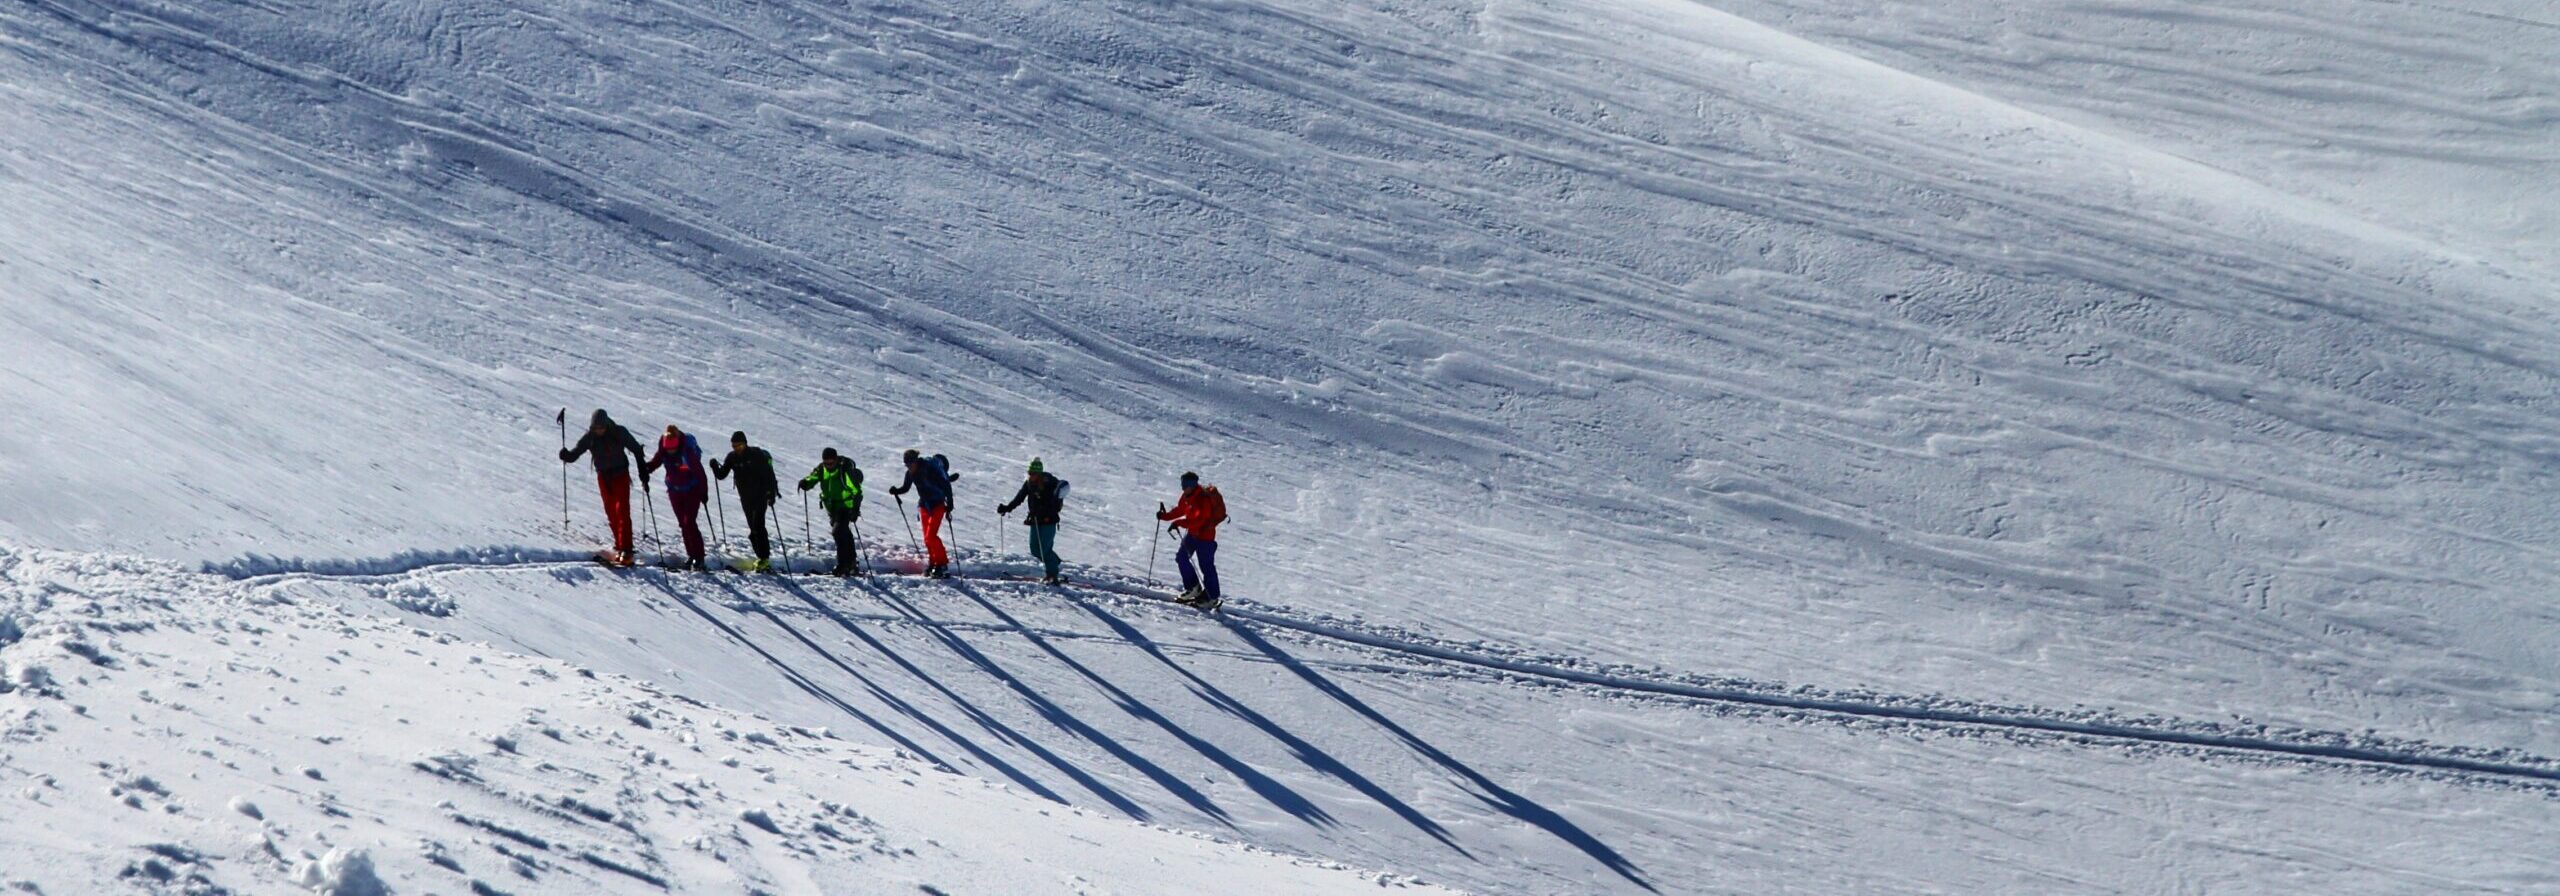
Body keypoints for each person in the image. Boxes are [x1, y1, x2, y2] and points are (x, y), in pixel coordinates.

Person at [559, 409, 648, 566]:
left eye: (601, 427)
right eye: (596, 428)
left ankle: (626, 549)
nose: (599, 430)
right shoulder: (590, 437)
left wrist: (643, 471)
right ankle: (619, 545)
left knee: (622, 510)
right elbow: (576, 453)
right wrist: (566, 455)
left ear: (606, 424)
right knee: (611, 512)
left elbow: (636, 449)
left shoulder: (619, 432)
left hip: (620, 475)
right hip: (604, 477)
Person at [641, 425, 711, 571]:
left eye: (673, 448)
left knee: (689, 522)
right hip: (674, 490)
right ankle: (691, 555)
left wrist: (703, 493)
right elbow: (657, 461)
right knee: (683, 524)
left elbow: (700, 473)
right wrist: (647, 468)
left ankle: (699, 558)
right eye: (668, 449)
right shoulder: (664, 447)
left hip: (692, 490)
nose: (670, 451)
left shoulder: (688, 452)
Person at [710, 431, 780, 572]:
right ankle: (761, 558)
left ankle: (764, 559)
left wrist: (771, 493)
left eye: (739, 445)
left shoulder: (756, 455)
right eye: (734, 446)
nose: (737, 448)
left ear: (745, 443)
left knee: (758, 525)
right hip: (745, 497)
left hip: (760, 495)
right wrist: (714, 467)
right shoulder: (732, 457)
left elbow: (768, 475)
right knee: (753, 529)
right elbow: (722, 475)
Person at [1157, 471, 1226, 605]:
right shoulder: (1186, 496)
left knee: (1206, 566)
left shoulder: (1203, 499)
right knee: (1181, 558)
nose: (1184, 487)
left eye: (1187, 484)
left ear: (1194, 484)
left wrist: (1179, 523)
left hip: (1205, 537)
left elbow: (1200, 520)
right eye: (1183, 484)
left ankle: (1212, 597)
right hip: (1192, 534)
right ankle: (1194, 588)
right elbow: (1180, 510)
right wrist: (1164, 516)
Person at [996, 458, 1068, 584]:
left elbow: (1053, 504)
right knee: (1035, 549)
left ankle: (1052, 575)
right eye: (1029, 473)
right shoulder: (1029, 484)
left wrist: (1044, 510)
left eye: (1033, 473)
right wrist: (1007, 508)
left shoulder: (1049, 484)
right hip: (1035, 521)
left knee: (1044, 550)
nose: (1030, 476)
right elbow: (1019, 498)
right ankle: (1054, 562)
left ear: (1039, 474)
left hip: (1048, 521)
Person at [888, 448, 958, 578]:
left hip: (938, 504)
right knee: (927, 538)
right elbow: (906, 488)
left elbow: (946, 485)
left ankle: (942, 564)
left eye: (910, 464)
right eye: (906, 464)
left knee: (931, 536)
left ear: (916, 461)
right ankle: (933, 563)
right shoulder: (910, 474)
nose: (909, 467)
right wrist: (896, 491)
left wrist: (950, 503)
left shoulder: (929, 470)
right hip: (924, 505)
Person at [798, 448, 864, 576]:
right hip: (832, 508)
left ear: (836, 460)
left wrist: (855, 509)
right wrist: (806, 483)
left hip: (846, 506)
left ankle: (842, 565)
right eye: (826, 463)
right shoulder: (822, 469)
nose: (828, 466)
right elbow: (813, 478)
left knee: (838, 532)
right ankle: (851, 563)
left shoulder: (844, 471)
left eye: (831, 463)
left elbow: (857, 491)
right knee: (844, 534)